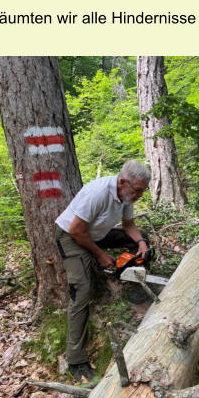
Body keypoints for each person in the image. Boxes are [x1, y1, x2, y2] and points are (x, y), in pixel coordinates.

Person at [55, 160, 151, 382]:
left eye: (142, 192)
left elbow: (128, 225)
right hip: (71, 237)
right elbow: (76, 230)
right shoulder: (97, 193)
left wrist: (141, 243)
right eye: (137, 191)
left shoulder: (126, 195)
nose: (139, 196)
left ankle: (137, 287)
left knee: (141, 238)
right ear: (122, 182)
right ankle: (76, 360)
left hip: (96, 234)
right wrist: (100, 255)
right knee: (82, 291)